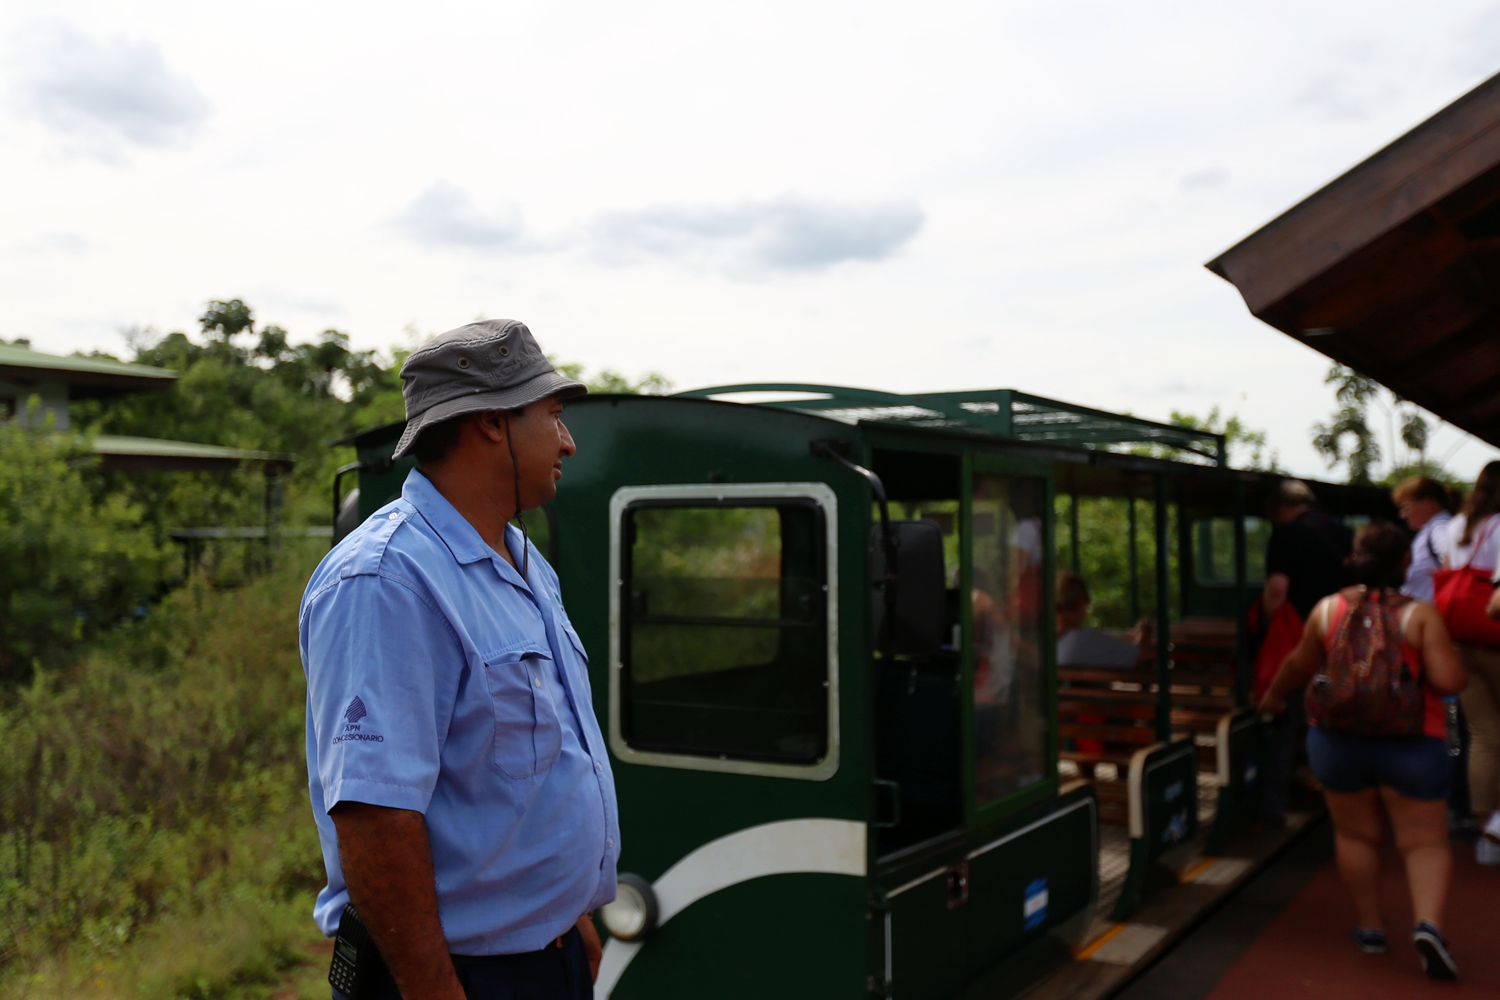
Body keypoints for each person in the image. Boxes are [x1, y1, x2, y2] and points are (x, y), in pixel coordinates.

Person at [300, 319, 617, 1000]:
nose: (567, 441)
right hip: (459, 977)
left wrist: (572, 915)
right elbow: (375, 817)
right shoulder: (387, 580)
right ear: (493, 425)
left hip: (547, 955)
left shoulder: (524, 563)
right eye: (554, 416)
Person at [1259, 522, 1465, 980]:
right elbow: (1450, 682)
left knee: (1356, 837)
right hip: (1411, 743)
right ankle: (1428, 926)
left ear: (1354, 558)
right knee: (1424, 842)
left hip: (1337, 743)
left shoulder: (1327, 610)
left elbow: (1298, 665)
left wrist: (1273, 696)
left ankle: (1370, 929)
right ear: (1405, 562)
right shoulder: (1420, 615)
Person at [1259, 479, 1354, 823]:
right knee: (1333, 720)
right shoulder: (1344, 533)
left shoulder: (1287, 535)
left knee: (1286, 718)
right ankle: (1338, 798)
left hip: (1303, 638)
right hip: (1342, 639)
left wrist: (1268, 629)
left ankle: (1274, 805)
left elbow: (1277, 589)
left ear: (1281, 509)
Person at [1442, 460, 1500, 865]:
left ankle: (1487, 834)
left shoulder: (1455, 526)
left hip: (1458, 635)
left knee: (1483, 734)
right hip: (1493, 635)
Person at [1055, 572, 1151, 668]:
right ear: (1081, 604)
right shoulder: (1083, 641)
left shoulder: (1048, 641)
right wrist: (1145, 633)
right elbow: (1139, 656)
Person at [1392, 475, 1455, 603]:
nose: (1403, 515)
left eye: (1405, 507)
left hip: (1432, 616)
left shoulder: (1439, 528)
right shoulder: (1432, 530)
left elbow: (1454, 561)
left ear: (1426, 502)